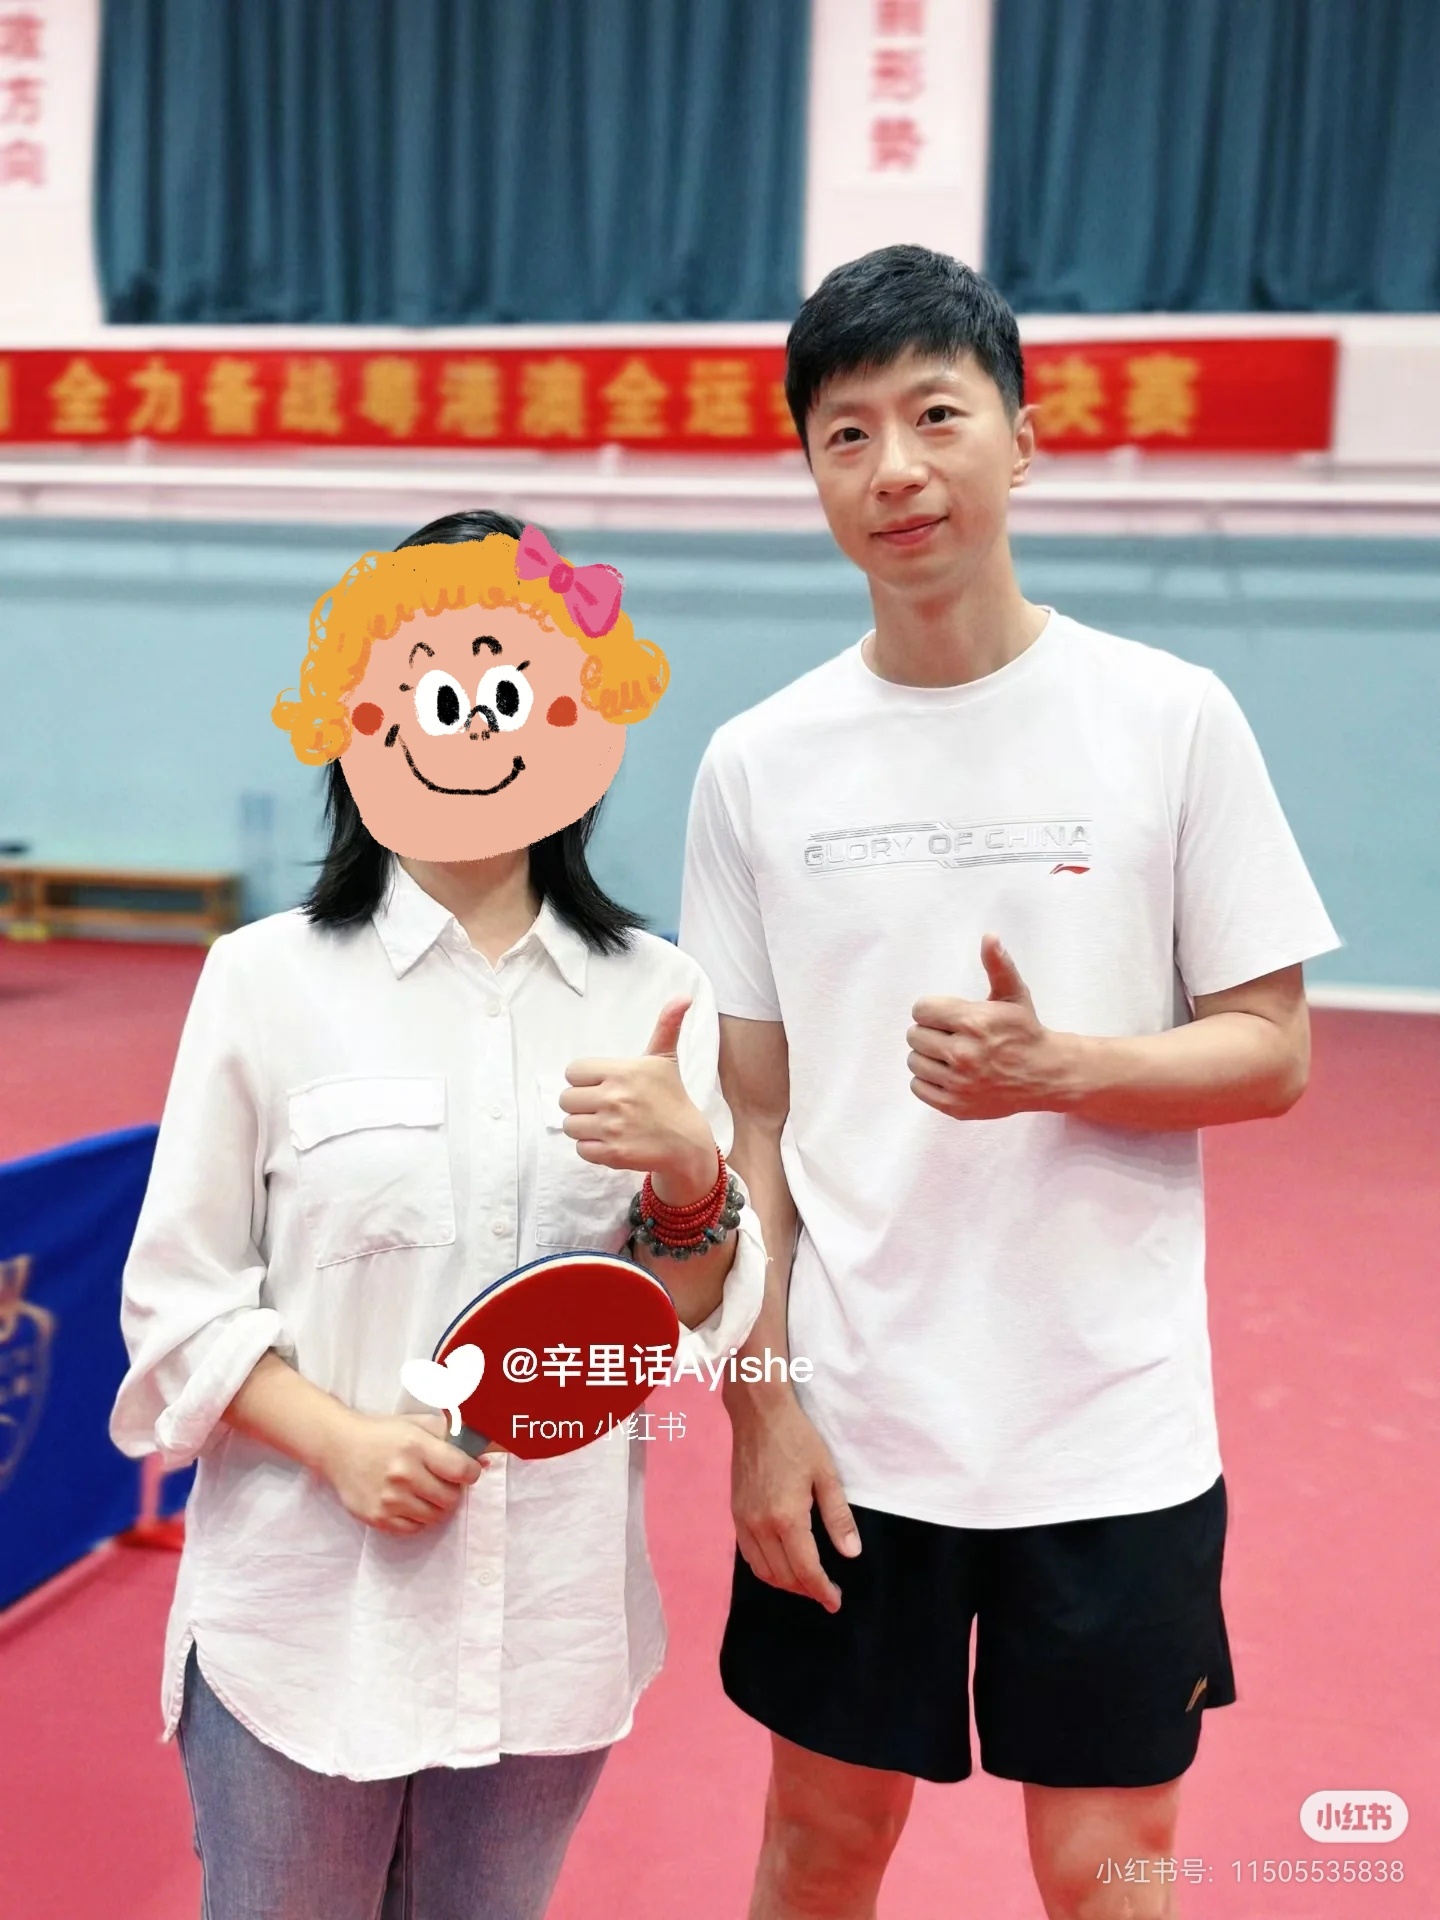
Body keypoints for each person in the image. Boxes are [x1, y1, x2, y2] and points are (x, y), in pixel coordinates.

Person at [678, 247, 1340, 1920]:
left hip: (1108, 1432)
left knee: (1106, 1868)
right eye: (846, 434)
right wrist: (761, 1409)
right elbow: (750, 1124)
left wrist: (1066, 1068)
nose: (894, 468)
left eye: (936, 416)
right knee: (822, 1844)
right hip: (855, 1428)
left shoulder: (1170, 719)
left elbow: (1273, 1048)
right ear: (812, 470)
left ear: (1021, 441)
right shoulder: (757, 764)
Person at [110, 508, 763, 1920]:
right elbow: (177, 1295)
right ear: (363, 716)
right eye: (431, 689)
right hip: (305, 1622)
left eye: (513, 687)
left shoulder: (653, 992)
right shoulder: (264, 980)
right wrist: (340, 1443)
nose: (472, 726)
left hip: (548, 1625)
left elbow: (668, 1316)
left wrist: (691, 1177)